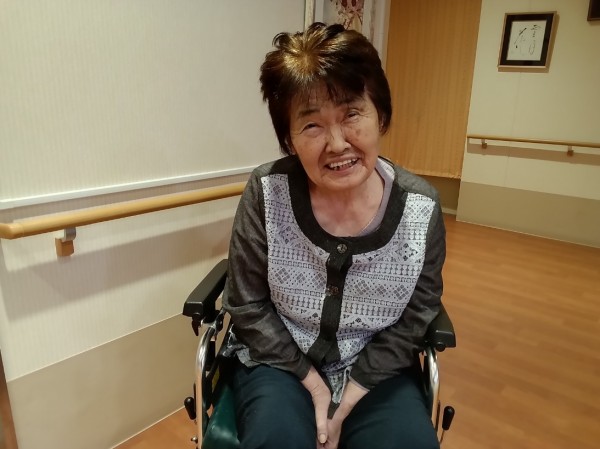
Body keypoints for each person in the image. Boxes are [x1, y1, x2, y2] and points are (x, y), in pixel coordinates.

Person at [223, 22, 445, 449]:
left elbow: (418, 313)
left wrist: (351, 395)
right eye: (312, 126)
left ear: (381, 115)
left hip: (377, 368)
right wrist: (314, 385)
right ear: (289, 139)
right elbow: (247, 304)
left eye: (352, 114)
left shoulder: (421, 208)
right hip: (278, 360)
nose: (338, 143)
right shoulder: (267, 192)